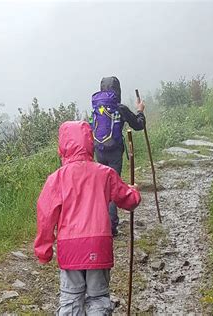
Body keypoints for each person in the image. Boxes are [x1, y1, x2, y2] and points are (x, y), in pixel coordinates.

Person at [34, 121, 141, 315]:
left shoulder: (56, 179)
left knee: (70, 299)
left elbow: (45, 215)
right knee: (98, 298)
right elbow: (128, 200)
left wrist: (44, 250)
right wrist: (134, 192)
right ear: (90, 143)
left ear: (62, 146)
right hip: (99, 245)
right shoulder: (105, 173)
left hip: (70, 247)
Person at [91, 76, 145, 236]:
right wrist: (140, 111)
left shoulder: (96, 108)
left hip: (99, 151)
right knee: (112, 186)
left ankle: (101, 223)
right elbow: (138, 125)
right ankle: (111, 226)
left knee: (102, 187)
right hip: (115, 152)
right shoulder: (120, 108)